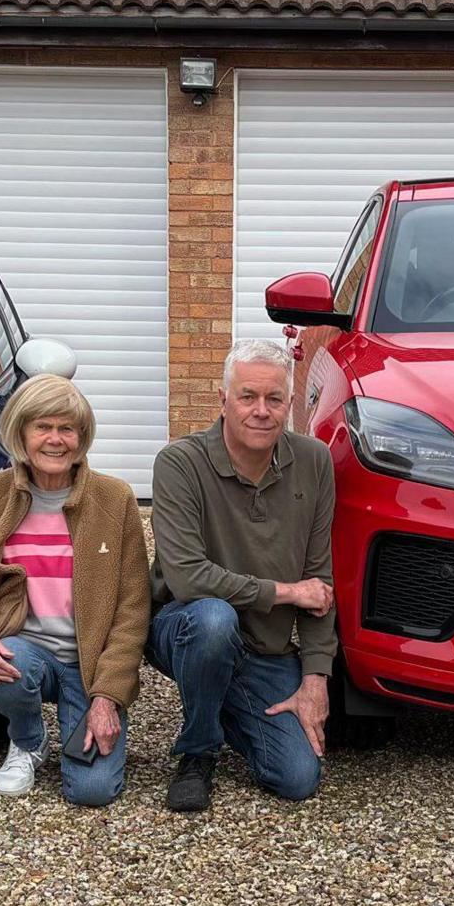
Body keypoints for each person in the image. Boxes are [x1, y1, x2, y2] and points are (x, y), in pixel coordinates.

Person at [147, 339, 336, 812]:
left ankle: (219, 697)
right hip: (186, 625)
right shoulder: (180, 463)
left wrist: (315, 680)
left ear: (289, 405)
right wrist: (286, 592)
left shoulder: (314, 462)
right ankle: (197, 752)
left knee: (296, 777)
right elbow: (188, 578)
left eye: (274, 399)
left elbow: (320, 584)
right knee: (214, 621)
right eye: (248, 397)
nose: (261, 411)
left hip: (266, 648)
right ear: (223, 401)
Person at [0, 374, 150, 806]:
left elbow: (132, 611)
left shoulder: (115, 499)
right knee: (7, 657)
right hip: (26, 653)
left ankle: (86, 716)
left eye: (67, 428)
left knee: (92, 793)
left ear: (81, 435)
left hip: (88, 666)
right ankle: (27, 740)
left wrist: (107, 697)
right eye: (43, 427)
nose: (55, 440)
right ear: (21, 432)